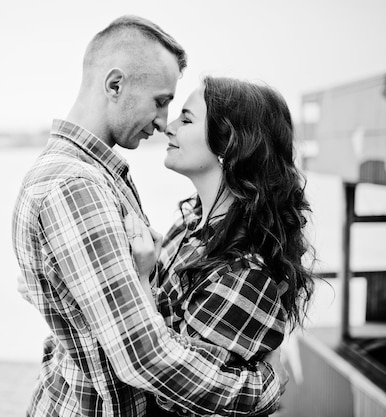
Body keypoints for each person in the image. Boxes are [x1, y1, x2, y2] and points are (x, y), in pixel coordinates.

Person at [12, 16, 287, 417]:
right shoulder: (75, 186)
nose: (164, 123)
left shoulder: (93, 178)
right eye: (161, 101)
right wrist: (263, 391)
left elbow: (113, 333)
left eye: (181, 113)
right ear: (115, 85)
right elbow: (142, 356)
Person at [126, 76, 315, 415]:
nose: (167, 127)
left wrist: (141, 278)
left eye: (186, 119)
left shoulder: (246, 273)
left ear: (229, 144)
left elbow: (177, 390)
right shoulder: (190, 223)